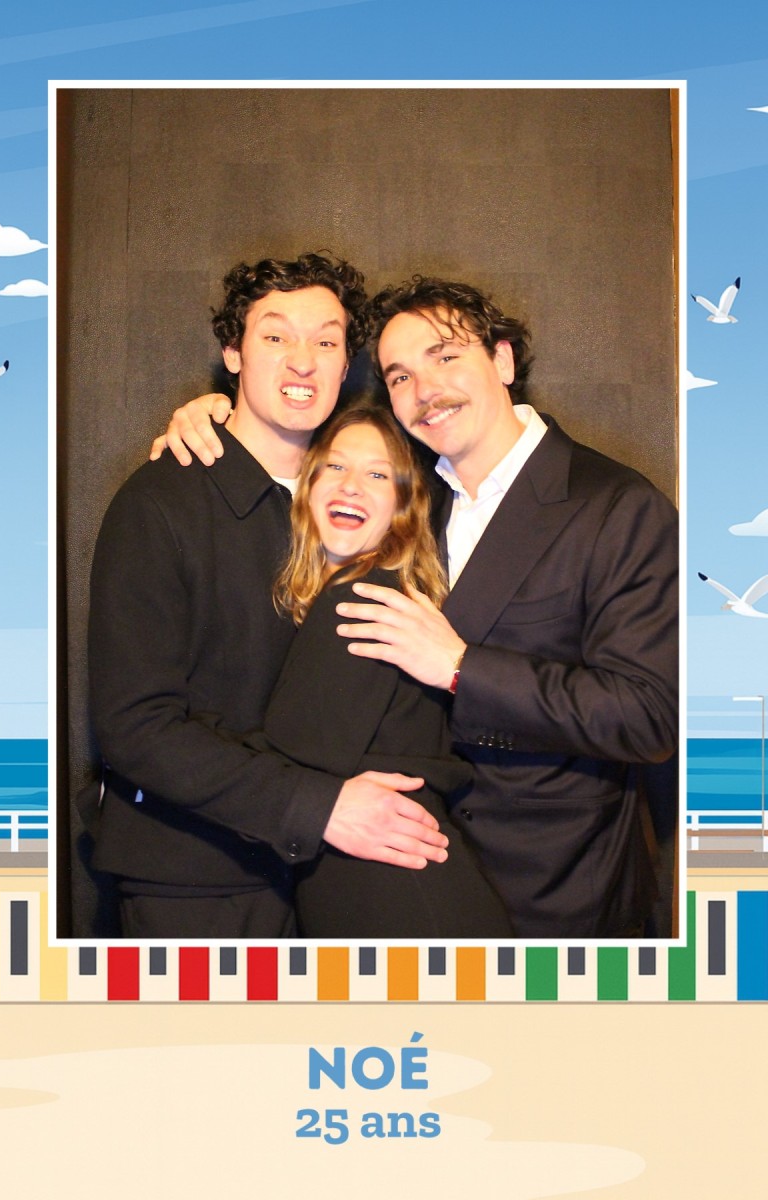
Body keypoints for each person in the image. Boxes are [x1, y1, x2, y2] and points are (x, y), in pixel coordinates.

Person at [156, 275, 678, 939]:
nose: (425, 389)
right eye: (400, 376)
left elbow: (649, 715)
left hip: (558, 890)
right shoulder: (413, 500)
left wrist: (461, 667)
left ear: (503, 360)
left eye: (446, 356)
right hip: (411, 874)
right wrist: (216, 418)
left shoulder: (615, 505)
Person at [86, 254, 449, 939]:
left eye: (326, 342)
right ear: (234, 353)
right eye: (275, 336)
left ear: (346, 367)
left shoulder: (361, 497)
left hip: (334, 882)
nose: (302, 361)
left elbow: (482, 449)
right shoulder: (161, 502)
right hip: (198, 882)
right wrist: (319, 807)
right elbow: (136, 726)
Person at [248, 400, 512, 937]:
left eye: (376, 475)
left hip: (401, 901)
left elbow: (282, 762)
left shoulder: (361, 602)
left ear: (401, 507)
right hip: (397, 890)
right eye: (336, 466)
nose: (351, 486)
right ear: (306, 485)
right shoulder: (379, 596)